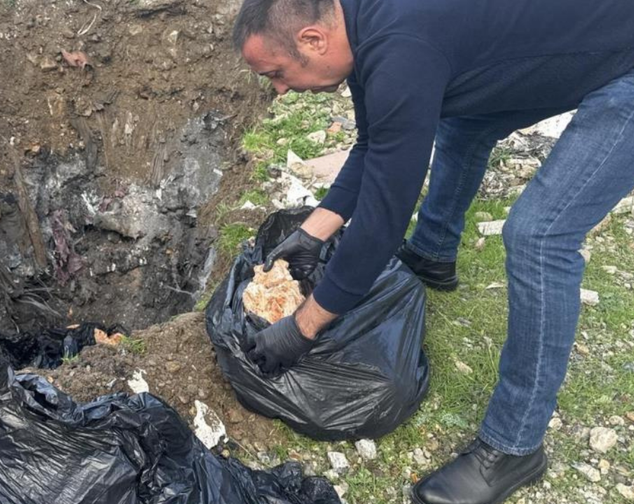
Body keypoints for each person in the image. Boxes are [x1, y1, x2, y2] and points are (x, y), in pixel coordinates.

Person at [232, 0, 634, 503]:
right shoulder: (360, 25)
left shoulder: (401, 48)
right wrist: (313, 233)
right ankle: (432, 254)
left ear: (313, 40)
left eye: (278, 73)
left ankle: (515, 446)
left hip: (625, 65)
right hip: (582, 39)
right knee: (464, 118)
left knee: (539, 235)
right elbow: (378, 141)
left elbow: (384, 211)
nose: (280, 90)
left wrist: (304, 326)